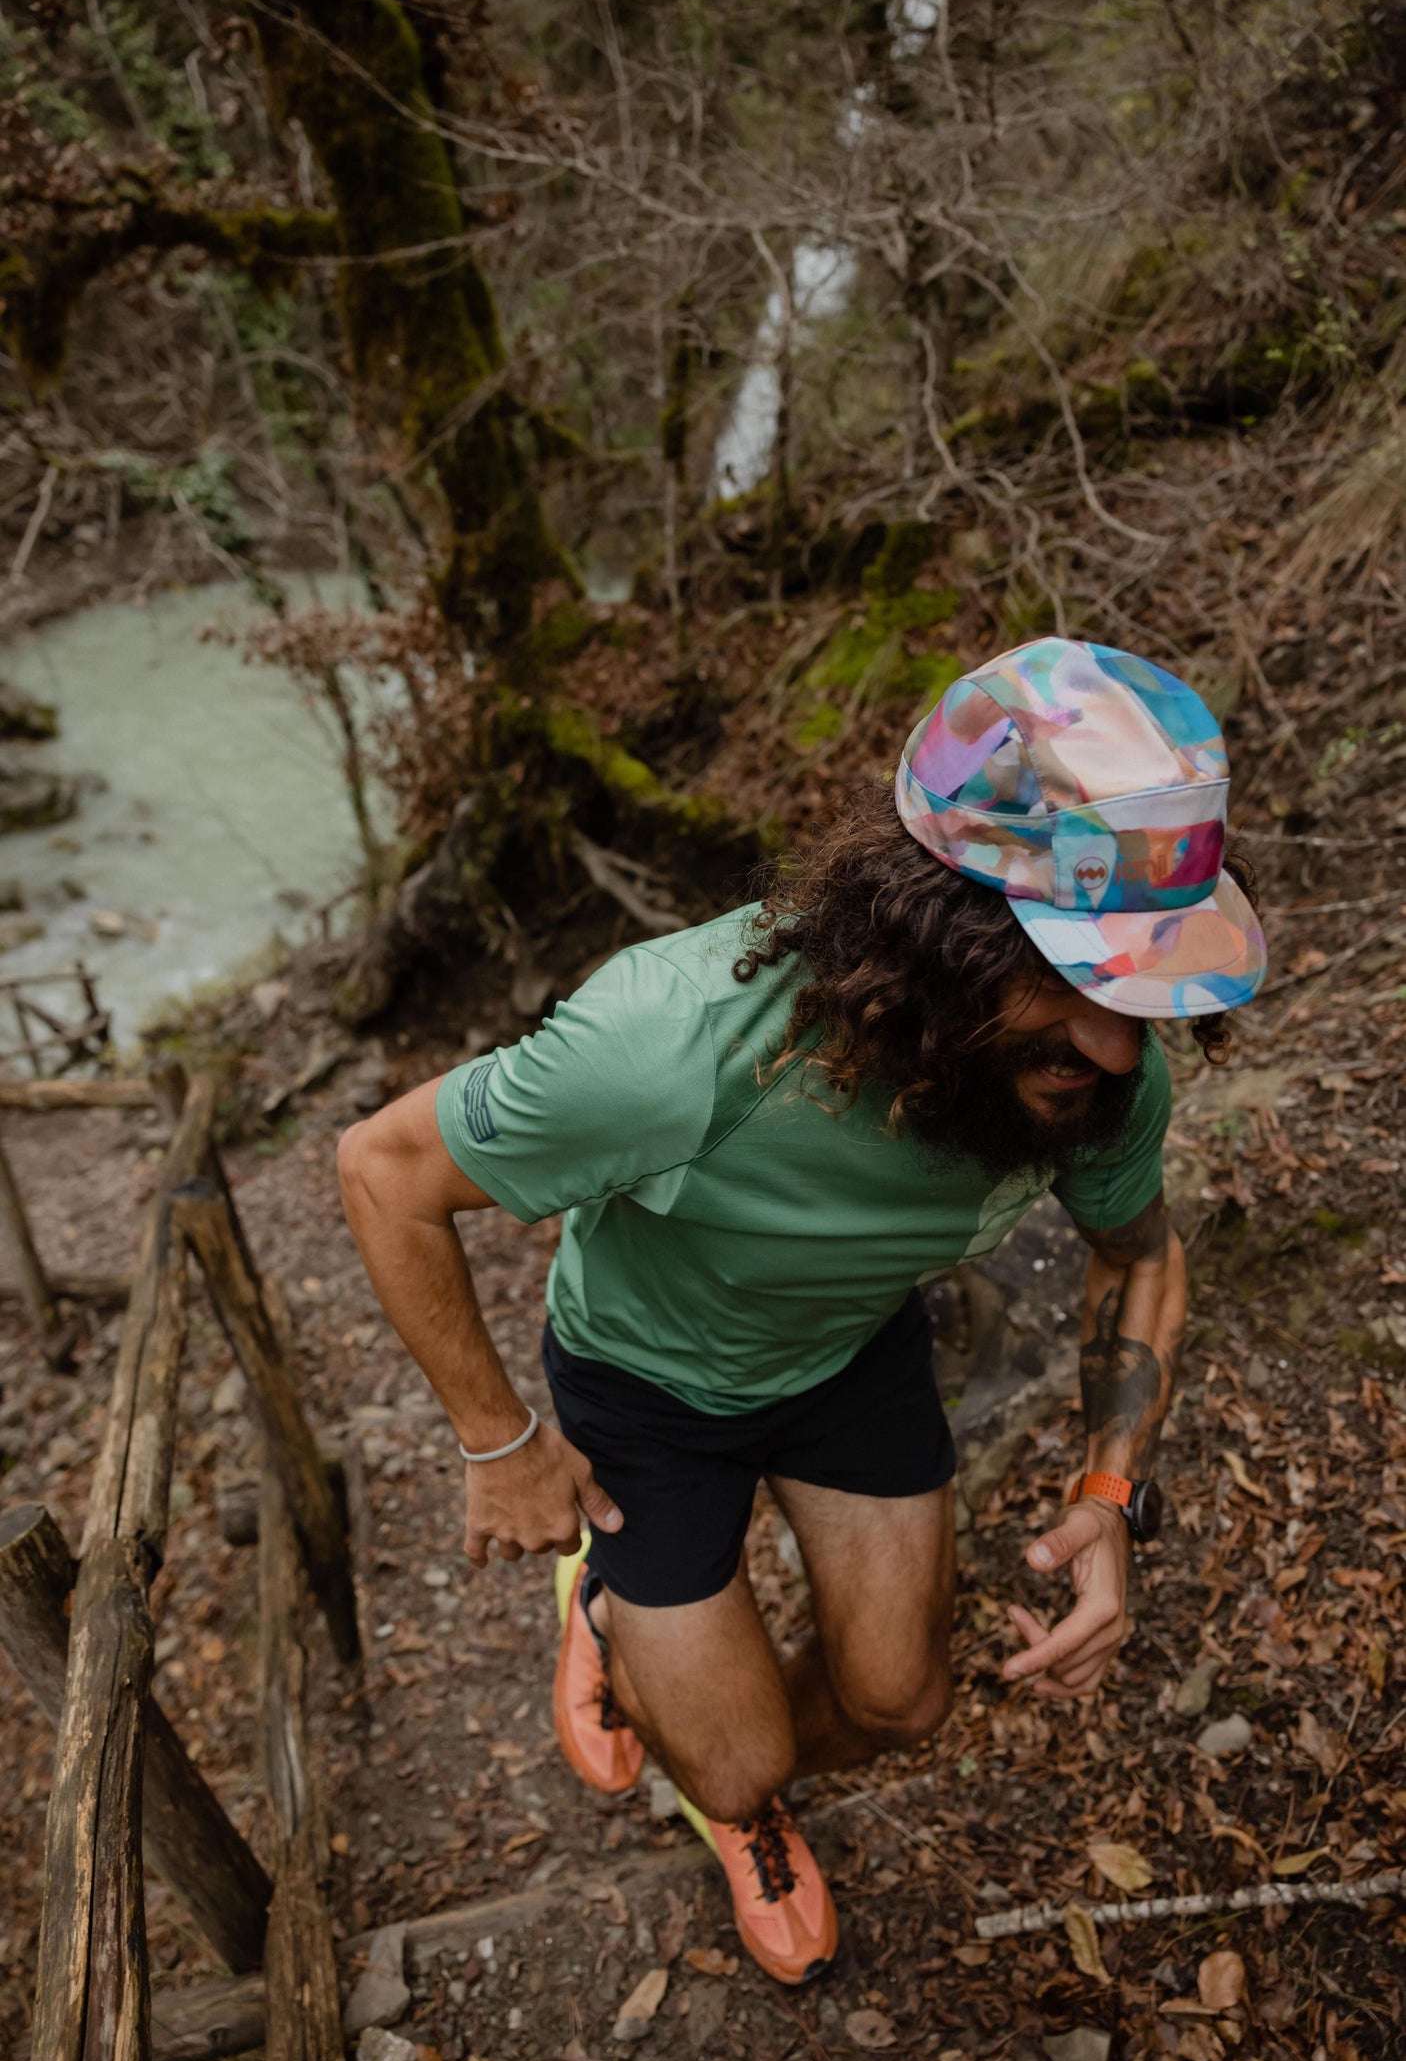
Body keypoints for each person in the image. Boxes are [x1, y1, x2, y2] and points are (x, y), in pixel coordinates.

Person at [338, 637, 1266, 1986]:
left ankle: (688, 1678)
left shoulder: (1094, 1076)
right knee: (734, 1757)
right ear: (936, 927)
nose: (1119, 1044)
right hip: (644, 1382)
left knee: (899, 1703)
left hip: (845, 1357)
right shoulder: (674, 1047)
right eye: (1075, 977)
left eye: (1136, 982)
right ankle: (641, 1659)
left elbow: (1139, 1257)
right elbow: (384, 1171)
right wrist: (500, 1445)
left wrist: (1109, 1493)